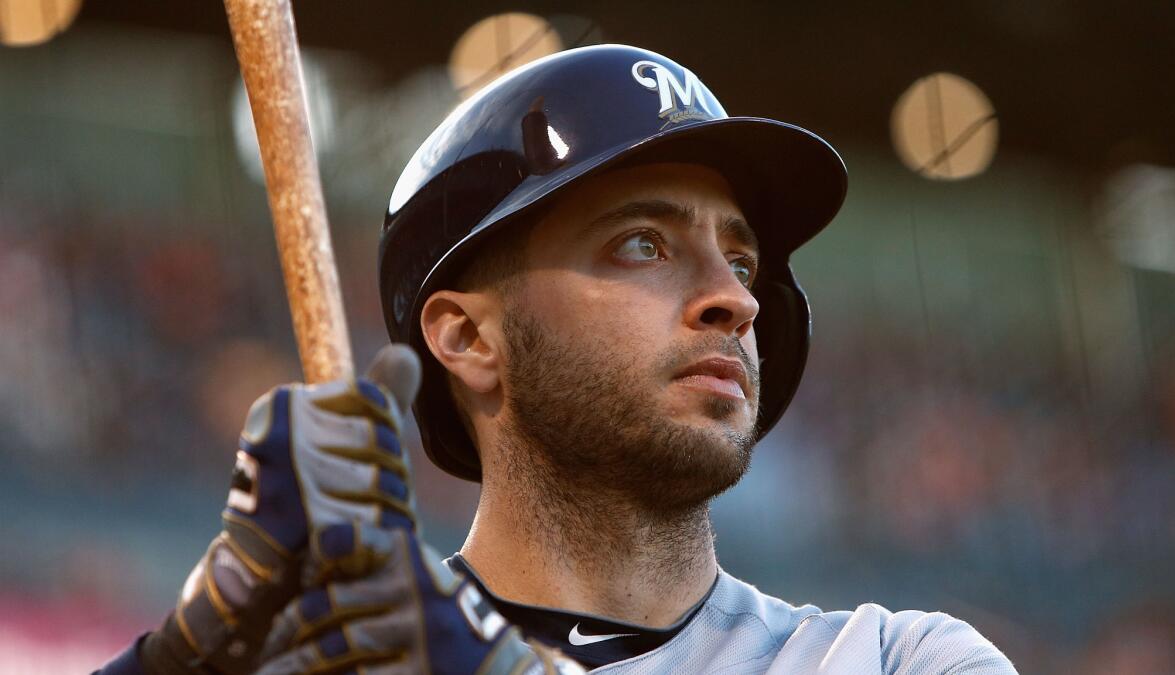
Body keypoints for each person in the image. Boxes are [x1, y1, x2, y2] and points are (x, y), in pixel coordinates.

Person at [98, 44, 1016, 674]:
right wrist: (179, 659)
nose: (734, 297)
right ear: (466, 336)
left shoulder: (897, 657)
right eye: (642, 245)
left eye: (741, 259)